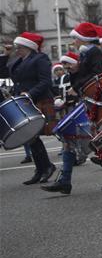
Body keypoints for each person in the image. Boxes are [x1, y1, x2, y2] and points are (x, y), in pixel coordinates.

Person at [42, 22, 102, 194]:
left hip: (95, 102)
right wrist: (75, 72)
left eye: (75, 39)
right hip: (88, 101)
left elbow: (97, 76)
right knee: (69, 137)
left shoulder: (94, 53)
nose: (74, 42)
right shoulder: (87, 54)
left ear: (83, 38)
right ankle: (64, 180)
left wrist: (77, 85)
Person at [0, 33, 56, 185]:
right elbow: (3, 72)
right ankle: (42, 169)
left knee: (33, 136)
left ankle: (46, 167)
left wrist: (30, 93)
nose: (17, 50)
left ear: (28, 47)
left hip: (38, 98)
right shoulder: (17, 61)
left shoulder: (40, 58)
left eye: (19, 47)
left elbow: (45, 81)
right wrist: (6, 55)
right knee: (30, 138)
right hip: (24, 102)